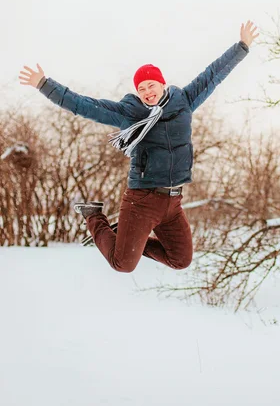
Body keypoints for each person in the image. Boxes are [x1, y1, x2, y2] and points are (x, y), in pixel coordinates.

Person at [19, 21, 259, 273]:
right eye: (141, 88)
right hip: (141, 200)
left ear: (162, 84)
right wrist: (44, 85)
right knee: (122, 264)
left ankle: (127, 235)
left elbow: (214, 74)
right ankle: (93, 215)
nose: (147, 91)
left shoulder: (185, 101)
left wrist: (241, 46)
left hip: (173, 200)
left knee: (180, 259)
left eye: (151, 85)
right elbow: (84, 105)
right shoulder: (130, 114)